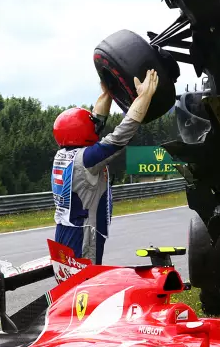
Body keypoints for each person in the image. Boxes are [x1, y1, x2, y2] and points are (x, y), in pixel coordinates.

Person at [51, 69, 159, 264]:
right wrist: (144, 97)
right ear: (81, 132)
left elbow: (96, 121)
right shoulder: (86, 160)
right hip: (82, 234)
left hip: (66, 229)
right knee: (84, 285)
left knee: (69, 284)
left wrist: (109, 91)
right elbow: (120, 137)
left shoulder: (63, 154)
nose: (95, 127)